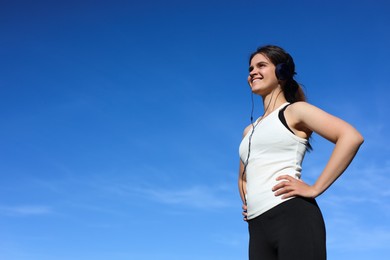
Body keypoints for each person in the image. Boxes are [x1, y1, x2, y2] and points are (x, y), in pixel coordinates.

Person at [238, 45, 364, 260]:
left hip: (293, 216)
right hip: (257, 227)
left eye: (261, 65)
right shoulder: (249, 130)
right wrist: (250, 203)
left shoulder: (295, 111)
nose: (252, 72)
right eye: (250, 68)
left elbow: (351, 137)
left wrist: (315, 188)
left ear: (282, 72)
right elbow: (243, 177)